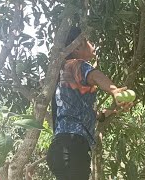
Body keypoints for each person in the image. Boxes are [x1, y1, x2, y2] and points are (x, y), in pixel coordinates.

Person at [46, 26, 132, 180]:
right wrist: (115, 90)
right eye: (90, 41)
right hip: (72, 148)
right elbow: (95, 76)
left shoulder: (65, 74)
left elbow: (79, 112)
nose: (93, 45)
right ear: (78, 47)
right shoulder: (75, 64)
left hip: (62, 149)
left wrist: (104, 114)